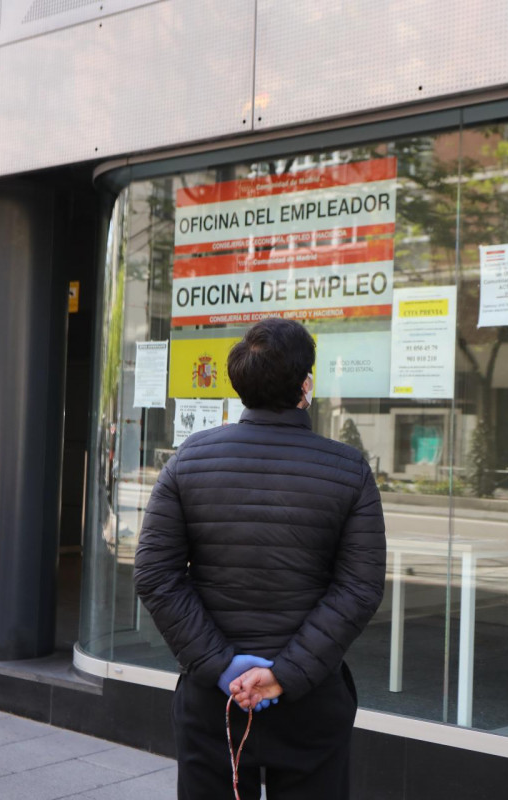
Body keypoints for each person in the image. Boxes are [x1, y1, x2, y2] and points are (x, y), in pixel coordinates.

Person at [133, 318, 386, 800]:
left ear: (239, 383)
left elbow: (156, 575)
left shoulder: (188, 459)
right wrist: (284, 676)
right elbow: (358, 588)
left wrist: (223, 667)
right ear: (306, 384)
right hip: (310, 697)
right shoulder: (349, 469)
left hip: (216, 700)